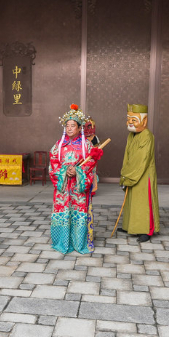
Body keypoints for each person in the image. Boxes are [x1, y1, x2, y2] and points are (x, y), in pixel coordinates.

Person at [49, 104, 103, 254]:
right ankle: (62, 241)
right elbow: (53, 162)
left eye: (73, 126)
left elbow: (91, 164)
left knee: (78, 213)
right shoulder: (59, 145)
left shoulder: (87, 145)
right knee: (63, 212)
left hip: (78, 188)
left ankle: (79, 243)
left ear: (80, 128)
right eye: (67, 126)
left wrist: (78, 171)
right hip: (63, 186)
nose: (69, 129)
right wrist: (65, 171)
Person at [120, 103, 160, 242]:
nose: (130, 122)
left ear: (145, 121)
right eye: (128, 119)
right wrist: (125, 173)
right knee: (131, 200)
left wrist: (129, 176)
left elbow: (141, 159)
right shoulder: (131, 135)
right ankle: (130, 226)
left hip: (143, 174)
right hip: (131, 173)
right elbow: (127, 156)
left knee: (143, 202)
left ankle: (145, 230)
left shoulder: (147, 136)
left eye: (134, 120)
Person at [84, 118, 100, 194]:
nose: (86, 129)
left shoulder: (95, 138)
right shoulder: (81, 138)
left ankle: (92, 190)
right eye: (84, 127)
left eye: (89, 127)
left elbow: (98, 148)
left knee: (92, 174)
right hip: (83, 159)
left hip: (92, 159)